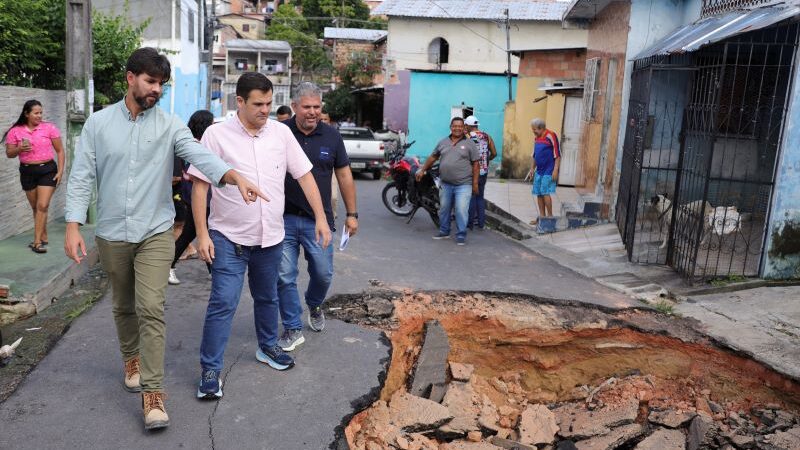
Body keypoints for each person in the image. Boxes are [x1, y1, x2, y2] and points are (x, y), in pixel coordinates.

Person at [64, 47, 266, 431]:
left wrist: (231, 175)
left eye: (161, 84)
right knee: (124, 305)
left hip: (156, 230)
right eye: (150, 81)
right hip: (111, 232)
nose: (156, 89)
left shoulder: (170, 125)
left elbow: (197, 154)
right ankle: (132, 359)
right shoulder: (98, 124)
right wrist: (73, 224)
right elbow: (81, 176)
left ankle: (153, 395)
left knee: (151, 306)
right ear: (130, 78)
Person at [191, 73, 331, 399]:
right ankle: (210, 370)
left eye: (269, 103)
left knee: (268, 297)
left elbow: (305, 176)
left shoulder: (281, 134)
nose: (265, 109)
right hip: (228, 237)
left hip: (271, 237)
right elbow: (200, 186)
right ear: (239, 101)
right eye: (258, 104)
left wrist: (322, 218)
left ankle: (268, 347)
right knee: (223, 302)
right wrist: (201, 234)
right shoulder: (216, 135)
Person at [276, 82, 358, 352]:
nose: (313, 112)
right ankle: (291, 326)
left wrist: (352, 214)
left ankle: (314, 303)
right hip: (283, 219)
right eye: (307, 107)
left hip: (318, 220)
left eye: (317, 107)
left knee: (323, 274)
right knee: (285, 275)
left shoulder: (332, 136)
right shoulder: (280, 132)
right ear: (295, 106)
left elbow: (344, 175)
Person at [3, 100, 65, 254]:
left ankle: (36, 243)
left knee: (42, 206)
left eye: (40, 113)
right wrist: (19, 148)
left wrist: (61, 171)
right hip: (27, 171)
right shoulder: (15, 131)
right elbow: (9, 154)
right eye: (36, 113)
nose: (39, 115)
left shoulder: (49, 128)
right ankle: (43, 235)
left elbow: (60, 150)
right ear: (26, 114)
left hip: (48, 170)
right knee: (35, 207)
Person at [416, 117, 480, 245]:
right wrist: (422, 170)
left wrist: (475, 183)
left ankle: (461, 234)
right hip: (445, 184)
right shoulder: (443, 142)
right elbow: (433, 157)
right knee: (444, 209)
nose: (457, 128)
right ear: (450, 127)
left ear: (464, 128)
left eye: (460, 126)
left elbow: (476, 164)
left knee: (461, 210)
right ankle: (444, 231)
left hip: (464, 184)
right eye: (455, 126)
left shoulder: (470, 144)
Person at [169, 110, 215, 285]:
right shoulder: (194, 146)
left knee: (197, 232)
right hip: (198, 195)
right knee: (194, 233)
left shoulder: (196, 143)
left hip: (198, 195)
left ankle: (213, 269)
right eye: (211, 123)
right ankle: (168, 266)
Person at [525, 118, 561, 225]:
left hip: (549, 170)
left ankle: (550, 218)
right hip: (539, 171)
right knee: (538, 193)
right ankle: (542, 217)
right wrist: (532, 168)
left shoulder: (551, 135)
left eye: (535, 130)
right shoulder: (537, 138)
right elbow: (535, 155)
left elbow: (557, 154)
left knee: (545, 192)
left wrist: (555, 170)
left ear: (541, 128)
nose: (533, 132)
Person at [464, 115, 497, 230]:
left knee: (472, 196)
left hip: (472, 171)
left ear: (467, 125)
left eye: (465, 125)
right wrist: (487, 160)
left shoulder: (467, 137)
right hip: (484, 171)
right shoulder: (486, 136)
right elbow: (494, 152)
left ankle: (470, 223)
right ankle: (481, 223)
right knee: (480, 196)